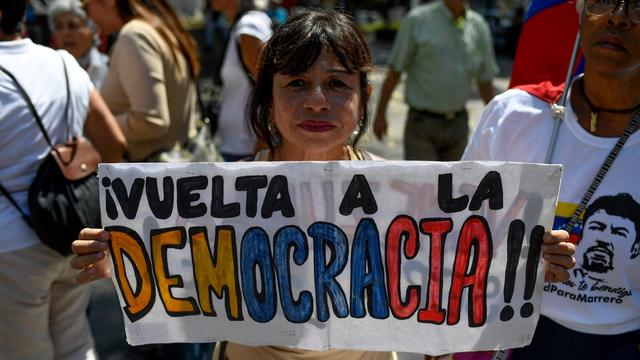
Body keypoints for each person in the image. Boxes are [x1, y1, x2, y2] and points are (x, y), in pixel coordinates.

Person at [70, 9, 575, 359]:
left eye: (336, 84)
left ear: (362, 97)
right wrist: (124, 258)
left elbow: (454, 290)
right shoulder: (212, 200)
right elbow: (177, 279)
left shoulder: (410, 197)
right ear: (268, 100)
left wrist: (524, 258)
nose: (316, 100)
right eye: (295, 84)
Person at [462, 0, 640, 358]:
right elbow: (456, 233)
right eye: (602, 1)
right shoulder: (513, 115)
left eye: (637, 5)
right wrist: (514, 256)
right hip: (513, 338)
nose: (617, 17)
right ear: (578, 13)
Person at [0, 1, 127, 359]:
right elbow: (114, 142)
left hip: (11, 247)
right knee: (76, 343)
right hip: (74, 227)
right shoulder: (62, 62)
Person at [373, 0, 497, 161]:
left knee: (456, 183)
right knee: (422, 184)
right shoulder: (417, 20)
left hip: (458, 125)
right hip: (422, 126)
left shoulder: (478, 26)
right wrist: (380, 114)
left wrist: (496, 122)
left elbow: (485, 79)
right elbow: (395, 71)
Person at [82, 0, 199, 162]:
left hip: (151, 177)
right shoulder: (155, 28)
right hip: (169, 168)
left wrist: (95, 126)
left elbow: (151, 121)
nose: (88, 15)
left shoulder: (134, 35)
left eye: (85, 5)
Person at [211, 0, 272, 161]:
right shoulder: (240, 25)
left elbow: (270, 90)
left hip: (247, 150)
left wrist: (261, 150)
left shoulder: (249, 27)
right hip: (237, 147)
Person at [48, 0, 109, 89]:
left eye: (73, 26)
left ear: (93, 29)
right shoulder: (47, 70)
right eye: (58, 27)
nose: (65, 33)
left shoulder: (109, 67)